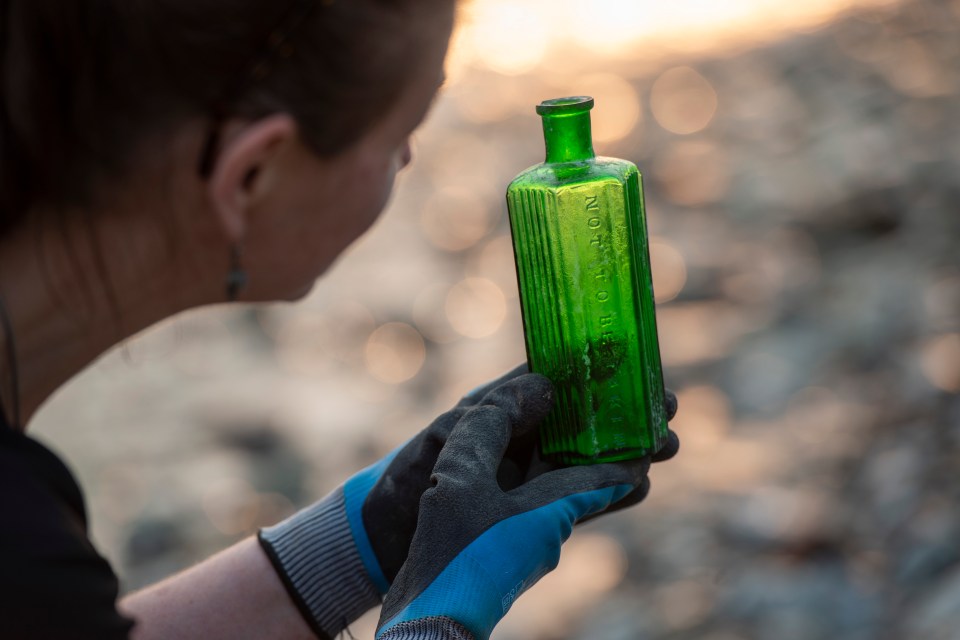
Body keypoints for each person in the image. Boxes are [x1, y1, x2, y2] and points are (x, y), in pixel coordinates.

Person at [0, 1, 679, 638]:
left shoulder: (27, 542)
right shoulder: (23, 547)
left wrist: (368, 532)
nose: (408, 160)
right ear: (252, 175)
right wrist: (438, 616)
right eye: (400, 136)